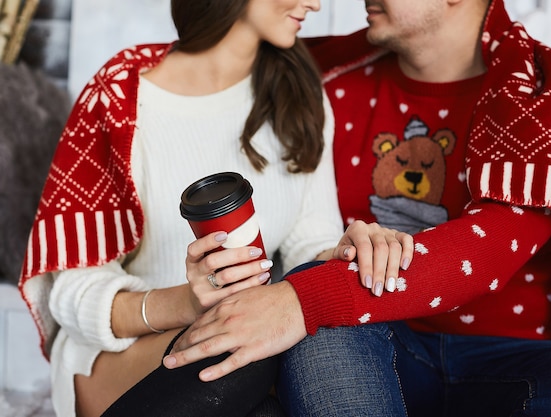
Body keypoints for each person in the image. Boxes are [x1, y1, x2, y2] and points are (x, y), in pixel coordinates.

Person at [162, 0, 551, 415]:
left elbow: (486, 252)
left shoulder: (537, 94)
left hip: (514, 359)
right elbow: (216, 70)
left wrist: (298, 299)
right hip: (374, 346)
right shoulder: (323, 80)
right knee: (326, 317)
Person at [17, 0, 414, 416]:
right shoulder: (122, 93)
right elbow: (71, 293)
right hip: (118, 356)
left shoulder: (299, 93)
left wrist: (347, 253)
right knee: (248, 349)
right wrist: (188, 304)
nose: (314, 3)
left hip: (238, 338)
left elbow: (308, 244)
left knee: (281, 358)